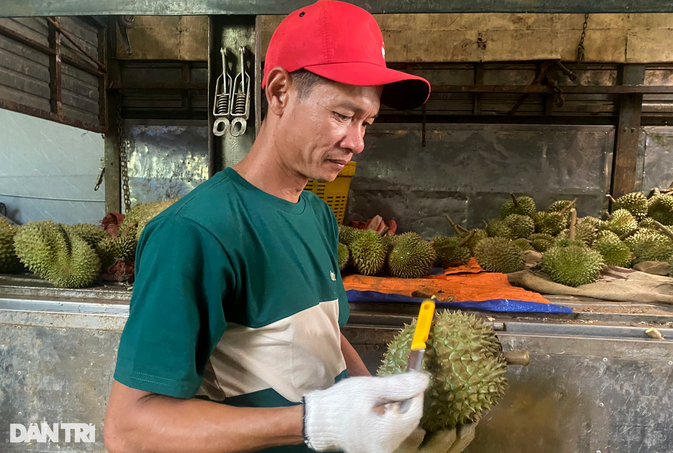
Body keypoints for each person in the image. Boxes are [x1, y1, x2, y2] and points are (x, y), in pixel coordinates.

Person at [104, 2, 440, 453]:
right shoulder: (195, 232)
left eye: (367, 122)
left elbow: (326, 335)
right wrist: (314, 421)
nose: (357, 142)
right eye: (343, 115)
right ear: (280, 91)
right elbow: (129, 430)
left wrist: (376, 404)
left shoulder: (318, 216)